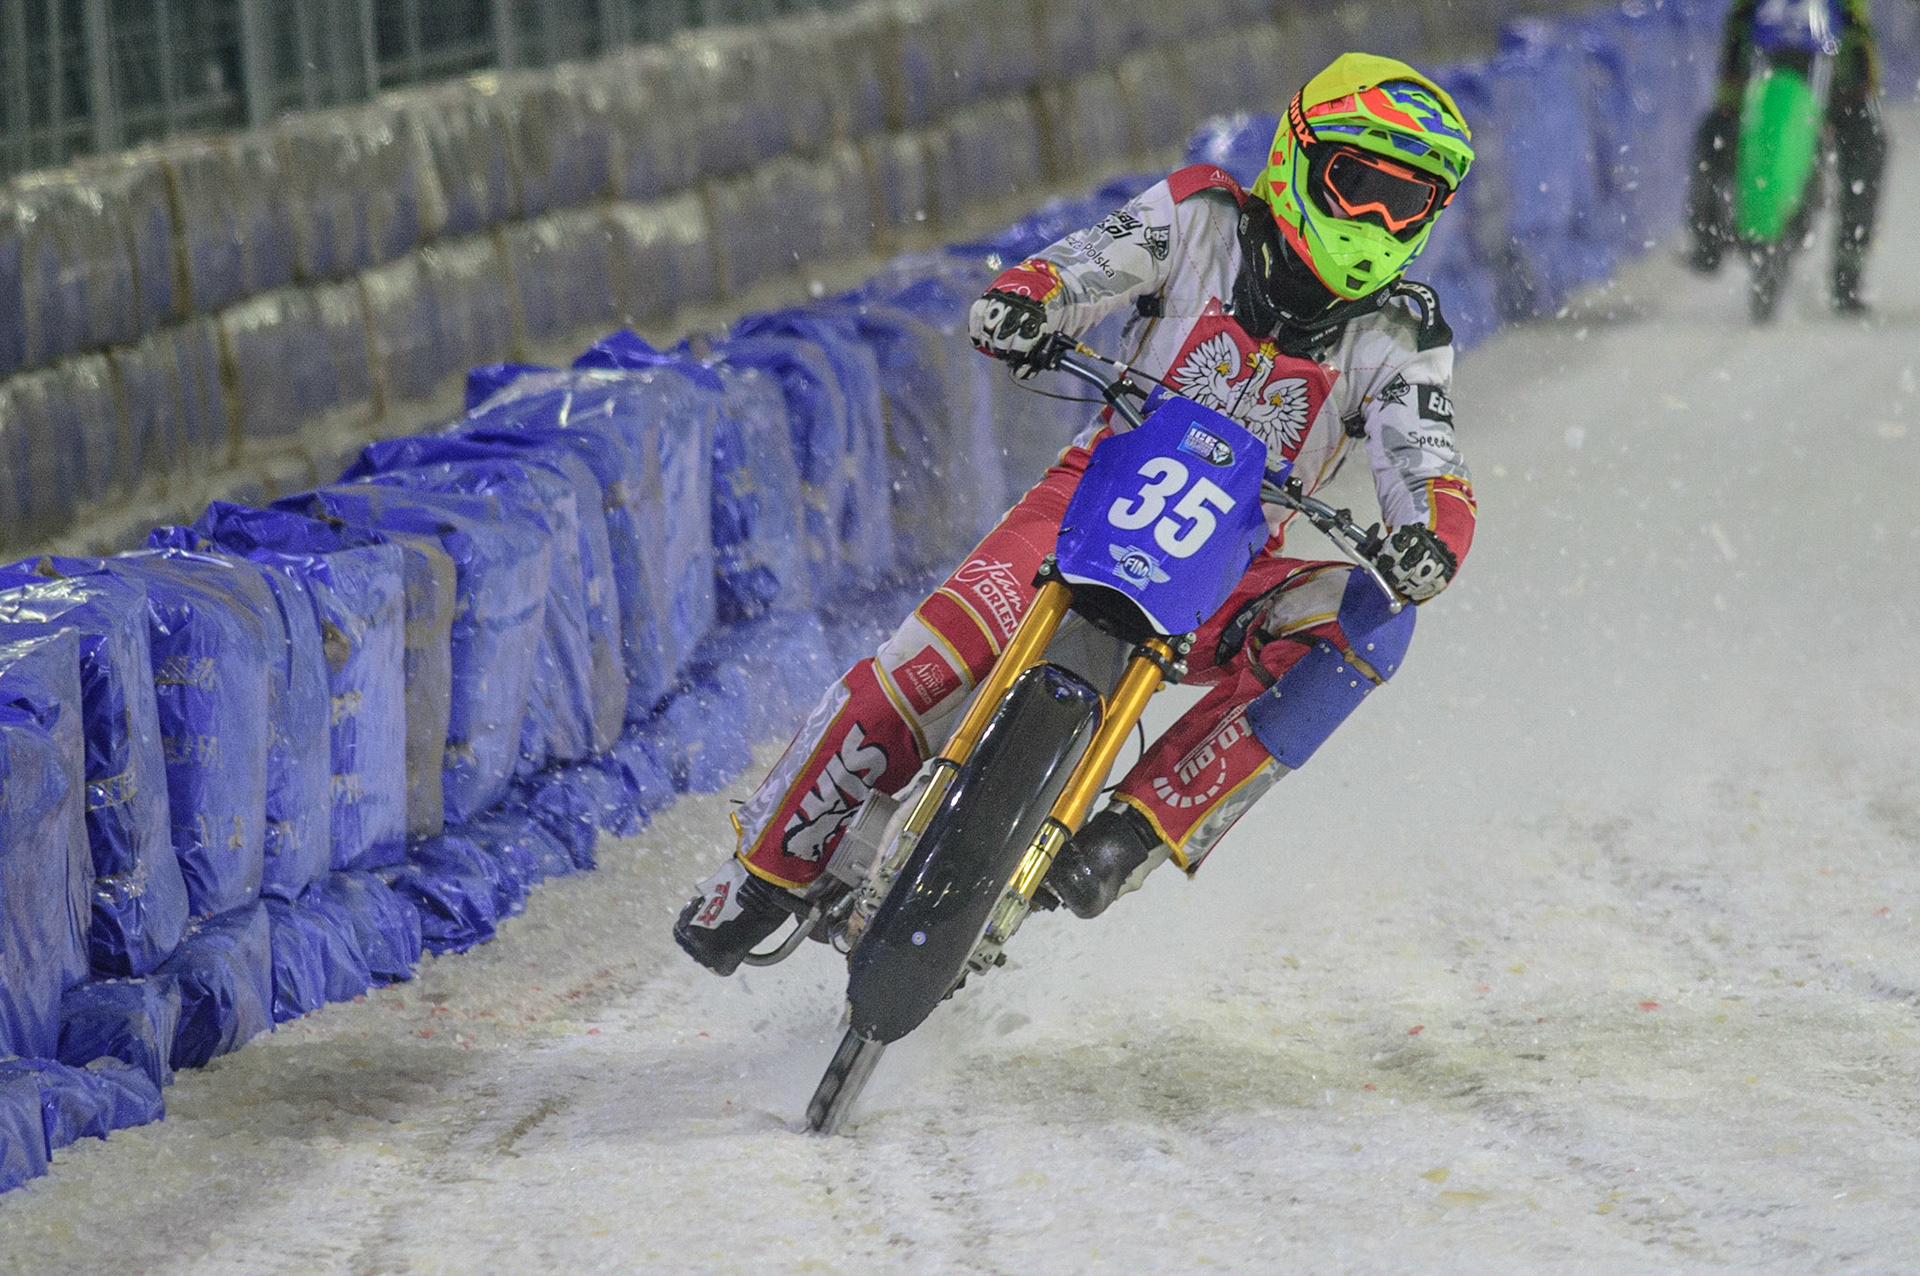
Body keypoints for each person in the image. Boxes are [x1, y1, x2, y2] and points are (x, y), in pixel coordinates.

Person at [675, 53, 1480, 975]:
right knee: (919, 668)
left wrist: (1430, 538)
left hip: (1227, 568)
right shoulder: (1202, 212)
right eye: (1360, 183)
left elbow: (1428, 460)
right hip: (1082, 507)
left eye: (1406, 202)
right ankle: (759, 874)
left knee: (1369, 624)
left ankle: (1133, 833)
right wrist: (1028, 301)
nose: (1376, 218)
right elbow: (1090, 263)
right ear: (1300, 155)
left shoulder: (1404, 334)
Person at [1685, 0, 1888, 313]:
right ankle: (1708, 239)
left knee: (1867, 146)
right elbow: (1735, 34)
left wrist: (1860, 79)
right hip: (1769, 68)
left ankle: (1848, 274)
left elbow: (1863, 39)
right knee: (1714, 135)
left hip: (1833, 73)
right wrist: (1730, 95)